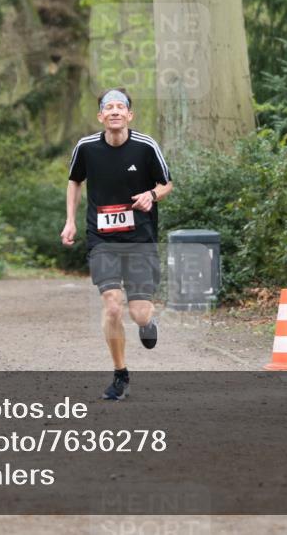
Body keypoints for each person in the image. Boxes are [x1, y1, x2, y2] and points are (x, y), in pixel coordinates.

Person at [61, 88, 173, 400]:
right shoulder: (86, 148)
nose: (114, 111)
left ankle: (147, 322)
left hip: (140, 238)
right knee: (112, 305)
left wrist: (151, 195)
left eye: (119, 107)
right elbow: (74, 181)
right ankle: (120, 374)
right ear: (100, 116)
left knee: (138, 313)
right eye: (108, 107)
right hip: (102, 238)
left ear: (129, 115)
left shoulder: (146, 146)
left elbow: (167, 184)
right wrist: (70, 221)